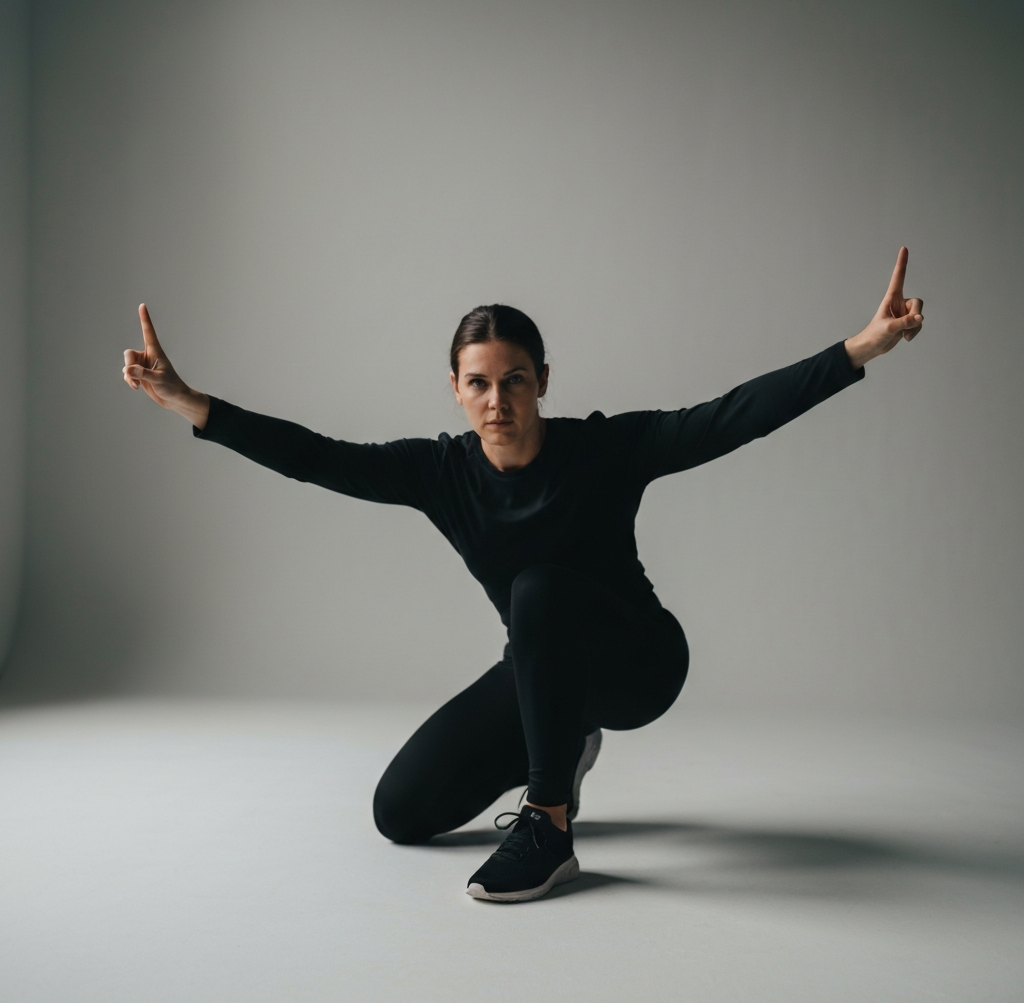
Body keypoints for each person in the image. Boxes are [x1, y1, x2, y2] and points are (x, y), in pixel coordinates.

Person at [122, 248, 923, 903]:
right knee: (399, 813)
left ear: (542, 380)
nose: (496, 399)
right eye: (478, 382)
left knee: (538, 587)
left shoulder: (604, 451)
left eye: (513, 380)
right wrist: (191, 402)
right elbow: (316, 459)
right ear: (456, 390)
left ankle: (549, 825)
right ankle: (563, 748)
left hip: (636, 663)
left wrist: (859, 349)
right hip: (544, 668)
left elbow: (732, 416)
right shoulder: (441, 473)